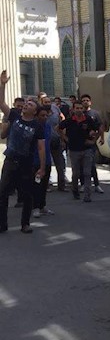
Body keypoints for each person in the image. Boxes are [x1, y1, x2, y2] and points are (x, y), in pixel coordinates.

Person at [0, 72, 46, 234]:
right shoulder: (14, 116)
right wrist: (3, 84)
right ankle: (2, 224)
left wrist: (41, 167)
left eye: (30, 105)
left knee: (27, 195)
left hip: (26, 165)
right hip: (10, 161)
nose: (26, 105)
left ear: (34, 112)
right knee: (3, 193)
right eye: (26, 103)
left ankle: (25, 224)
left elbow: (41, 147)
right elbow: (1, 103)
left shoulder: (37, 126)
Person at [59, 102, 99, 202]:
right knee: (76, 173)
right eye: (77, 108)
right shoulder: (69, 121)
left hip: (86, 149)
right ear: (73, 109)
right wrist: (64, 138)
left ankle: (87, 195)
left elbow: (98, 129)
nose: (79, 110)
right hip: (74, 150)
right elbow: (58, 128)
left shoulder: (88, 120)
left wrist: (94, 140)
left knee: (87, 173)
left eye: (81, 108)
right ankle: (75, 191)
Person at [80, 94, 105, 193]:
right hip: (80, 143)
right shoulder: (79, 114)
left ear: (90, 102)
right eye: (83, 100)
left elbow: (100, 126)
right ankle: (83, 184)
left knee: (92, 165)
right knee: (81, 165)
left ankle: (96, 184)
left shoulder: (95, 113)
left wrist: (101, 137)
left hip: (91, 143)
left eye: (87, 100)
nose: (85, 102)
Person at [32, 104, 53, 217]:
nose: (44, 117)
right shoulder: (34, 127)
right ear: (37, 116)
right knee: (36, 185)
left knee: (44, 185)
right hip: (35, 161)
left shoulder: (48, 126)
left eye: (46, 115)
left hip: (47, 160)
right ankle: (35, 207)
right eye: (42, 115)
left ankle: (42, 206)